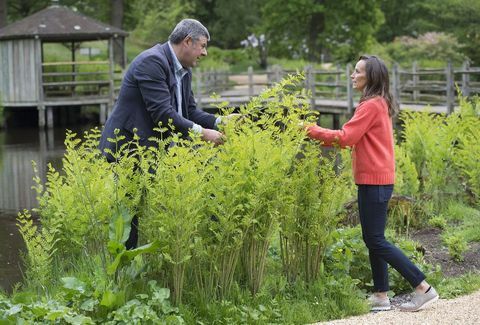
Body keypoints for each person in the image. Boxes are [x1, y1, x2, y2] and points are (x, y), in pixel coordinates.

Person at [304, 55, 439, 312]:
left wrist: (309, 129)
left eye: (357, 71)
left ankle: (423, 287)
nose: (352, 75)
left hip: (375, 182)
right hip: (375, 180)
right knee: (373, 238)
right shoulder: (377, 103)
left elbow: (346, 137)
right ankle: (380, 295)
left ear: (371, 77)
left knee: (375, 239)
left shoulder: (370, 105)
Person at [99, 19, 234, 249]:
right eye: (202, 46)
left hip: (152, 147)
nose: (205, 52)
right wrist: (204, 134)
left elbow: (188, 111)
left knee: (180, 192)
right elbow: (163, 114)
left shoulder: (184, 70)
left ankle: (152, 263)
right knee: (130, 211)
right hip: (128, 147)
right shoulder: (152, 62)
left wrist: (221, 122)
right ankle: (122, 272)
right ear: (187, 41)